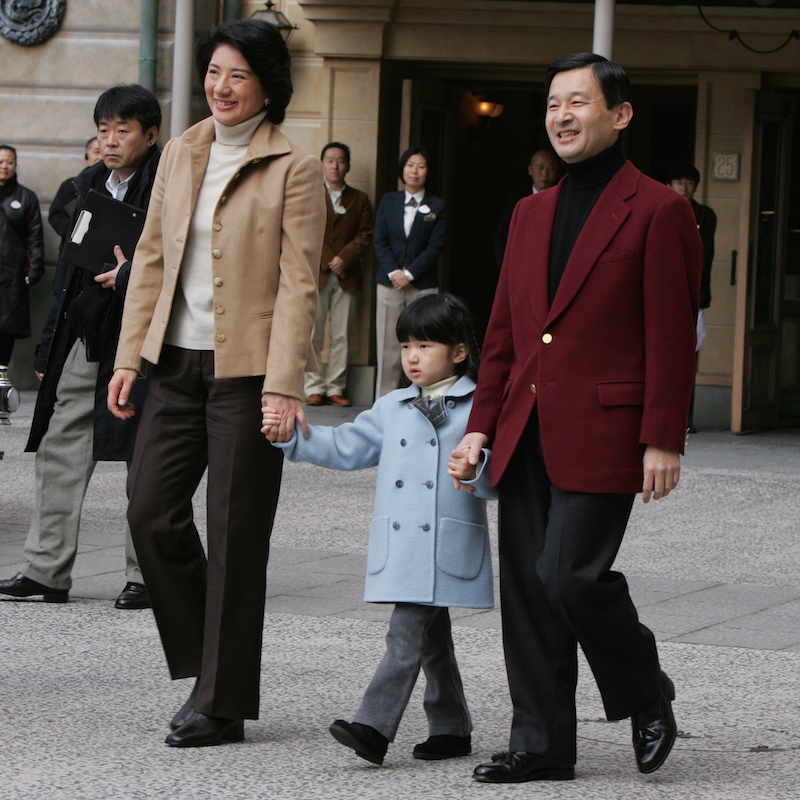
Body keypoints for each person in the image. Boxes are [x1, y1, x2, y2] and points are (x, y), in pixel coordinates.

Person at [455, 53, 702, 783]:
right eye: (553, 104)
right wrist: (479, 424)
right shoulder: (528, 215)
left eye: (578, 102)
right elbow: (502, 335)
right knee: (528, 591)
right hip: (523, 426)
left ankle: (644, 685)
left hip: (606, 426)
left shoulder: (660, 209)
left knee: (569, 577)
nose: (562, 116)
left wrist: (664, 435)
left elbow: (671, 331)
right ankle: (541, 745)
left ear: (619, 115)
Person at [107, 19, 325, 748]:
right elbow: (150, 258)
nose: (221, 87)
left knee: (236, 537)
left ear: (266, 82)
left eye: (237, 74)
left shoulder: (293, 166)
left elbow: (299, 286)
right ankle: (213, 667)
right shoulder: (181, 150)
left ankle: (221, 702)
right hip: (173, 363)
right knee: (149, 512)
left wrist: (284, 384)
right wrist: (130, 358)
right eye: (213, 73)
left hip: (246, 374)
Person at [263, 293, 494, 766]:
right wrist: (293, 437)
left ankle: (373, 726)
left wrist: (476, 471)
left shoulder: (479, 407)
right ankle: (451, 727)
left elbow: (499, 475)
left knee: (405, 635)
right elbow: (347, 445)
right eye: (406, 344)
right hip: (405, 543)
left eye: (426, 345)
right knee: (432, 638)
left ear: (458, 352)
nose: (412, 356)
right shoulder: (392, 406)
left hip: (445, 542)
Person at [0, 86, 161, 610]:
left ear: (150, 134)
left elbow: (188, 259)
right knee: (58, 446)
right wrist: (47, 351)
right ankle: (46, 571)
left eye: (123, 130)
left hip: (145, 337)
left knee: (149, 456)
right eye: (103, 130)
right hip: (84, 333)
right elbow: (67, 274)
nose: (110, 141)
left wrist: (133, 273)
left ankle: (147, 574)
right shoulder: (87, 185)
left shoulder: (169, 184)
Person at [373, 147, 447, 397]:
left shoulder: (438, 205)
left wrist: (410, 274)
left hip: (422, 284)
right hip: (389, 283)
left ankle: (422, 399)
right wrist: (395, 272)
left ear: (428, 172)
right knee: (388, 347)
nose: (415, 171)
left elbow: (435, 246)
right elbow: (379, 240)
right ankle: (383, 404)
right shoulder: (388, 201)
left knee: (425, 343)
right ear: (402, 169)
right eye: (410, 165)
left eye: (421, 166)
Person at [304, 141, 373, 407]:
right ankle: (313, 386)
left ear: (348, 166)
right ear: (322, 164)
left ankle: (335, 386)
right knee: (313, 333)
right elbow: (304, 230)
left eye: (340, 160)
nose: (335, 165)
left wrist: (344, 258)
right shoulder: (310, 194)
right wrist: (326, 258)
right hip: (316, 273)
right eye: (330, 160)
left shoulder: (359, 199)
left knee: (342, 334)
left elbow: (366, 234)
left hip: (348, 275)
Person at [667, 164, 716, 432]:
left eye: (689, 183)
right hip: (662, 295)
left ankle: (686, 419)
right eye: (678, 182)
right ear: (669, 184)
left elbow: (703, 258)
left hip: (693, 296)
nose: (684, 188)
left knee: (689, 358)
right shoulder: (660, 210)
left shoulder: (705, 215)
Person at [0, 144, 44, 366]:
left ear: (15, 165)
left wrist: (32, 272)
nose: (4, 167)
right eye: (0, 162)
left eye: (9, 162)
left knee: (5, 332)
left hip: (11, 279)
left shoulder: (26, 198)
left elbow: (34, 238)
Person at [494, 149, 559, 268]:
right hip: (520, 267)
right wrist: (507, 270)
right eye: (540, 168)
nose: (544, 174)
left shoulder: (563, 200)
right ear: (530, 170)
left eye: (550, 168)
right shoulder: (516, 202)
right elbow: (502, 239)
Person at [48, 137, 104, 243]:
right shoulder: (70, 185)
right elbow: (55, 215)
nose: (100, 157)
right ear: (87, 157)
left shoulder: (116, 185)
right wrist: (78, 230)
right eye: (97, 152)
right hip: (72, 245)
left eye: (103, 152)